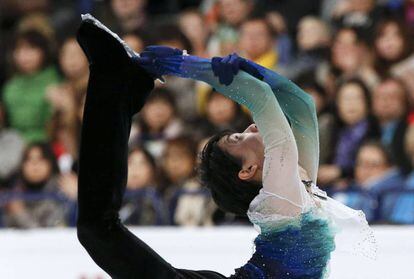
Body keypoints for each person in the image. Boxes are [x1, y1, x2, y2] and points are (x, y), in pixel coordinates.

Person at [76, 15, 375, 278]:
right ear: (247, 169)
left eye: (237, 134)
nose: (251, 128)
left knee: (98, 231)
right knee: (96, 230)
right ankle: (119, 79)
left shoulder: (290, 187)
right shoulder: (283, 194)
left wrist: (201, 66)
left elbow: (299, 104)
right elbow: (266, 101)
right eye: (238, 138)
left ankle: (119, 79)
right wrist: (189, 65)